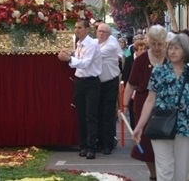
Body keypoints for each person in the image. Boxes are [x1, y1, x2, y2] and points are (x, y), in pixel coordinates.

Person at [133, 34, 189, 181]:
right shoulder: (158, 72)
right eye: (170, 48)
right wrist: (140, 126)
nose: (172, 51)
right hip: (161, 125)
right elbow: (150, 100)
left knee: (181, 172)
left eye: (177, 48)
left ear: (185, 51)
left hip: (185, 127)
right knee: (164, 171)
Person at [123, 25, 168, 180]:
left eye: (159, 44)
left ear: (165, 43)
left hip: (166, 106)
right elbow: (130, 84)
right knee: (146, 143)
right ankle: (154, 175)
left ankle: (164, 173)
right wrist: (124, 105)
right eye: (153, 43)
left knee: (165, 141)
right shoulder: (141, 60)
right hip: (143, 105)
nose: (156, 47)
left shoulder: (171, 58)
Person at [58, 19, 101, 160]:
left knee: (91, 115)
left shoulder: (92, 44)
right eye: (75, 27)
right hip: (79, 82)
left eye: (80, 27)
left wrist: (69, 59)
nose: (76, 30)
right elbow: (77, 62)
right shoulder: (78, 44)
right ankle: (83, 145)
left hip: (91, 82)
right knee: (81, 114)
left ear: (87, 29)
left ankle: (91, 146)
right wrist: (70, 56)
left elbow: (86, 63)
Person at [95, 23, 122, 154]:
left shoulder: (111, 45)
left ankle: (108, 144)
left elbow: (94, 54)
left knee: (108, 114)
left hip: (110, 82)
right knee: (98, 112)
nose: (101, 33)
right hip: (97, 83)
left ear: (109, 34)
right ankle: (99, 142)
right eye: (100, 31)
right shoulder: (95, 43)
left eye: (104, 32)